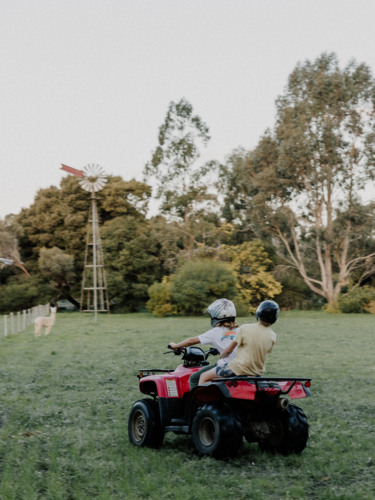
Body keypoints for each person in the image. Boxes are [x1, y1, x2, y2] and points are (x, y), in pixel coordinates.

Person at [199, 300, 279, 385]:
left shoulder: (245, 328)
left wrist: (222, 356)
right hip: (257, 372)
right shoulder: (272, 335)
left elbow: (228, 351)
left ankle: (199, 398)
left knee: (203, 376)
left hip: (237, 369)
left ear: (258, 312)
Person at [168, 298, 239, 390]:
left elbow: (191, 341)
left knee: (194, 378)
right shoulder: (240, 330)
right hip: (241, 365)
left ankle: (196, 403)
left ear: (216, 315)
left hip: (225, 366)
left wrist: (175, 345)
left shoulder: (215, 332)